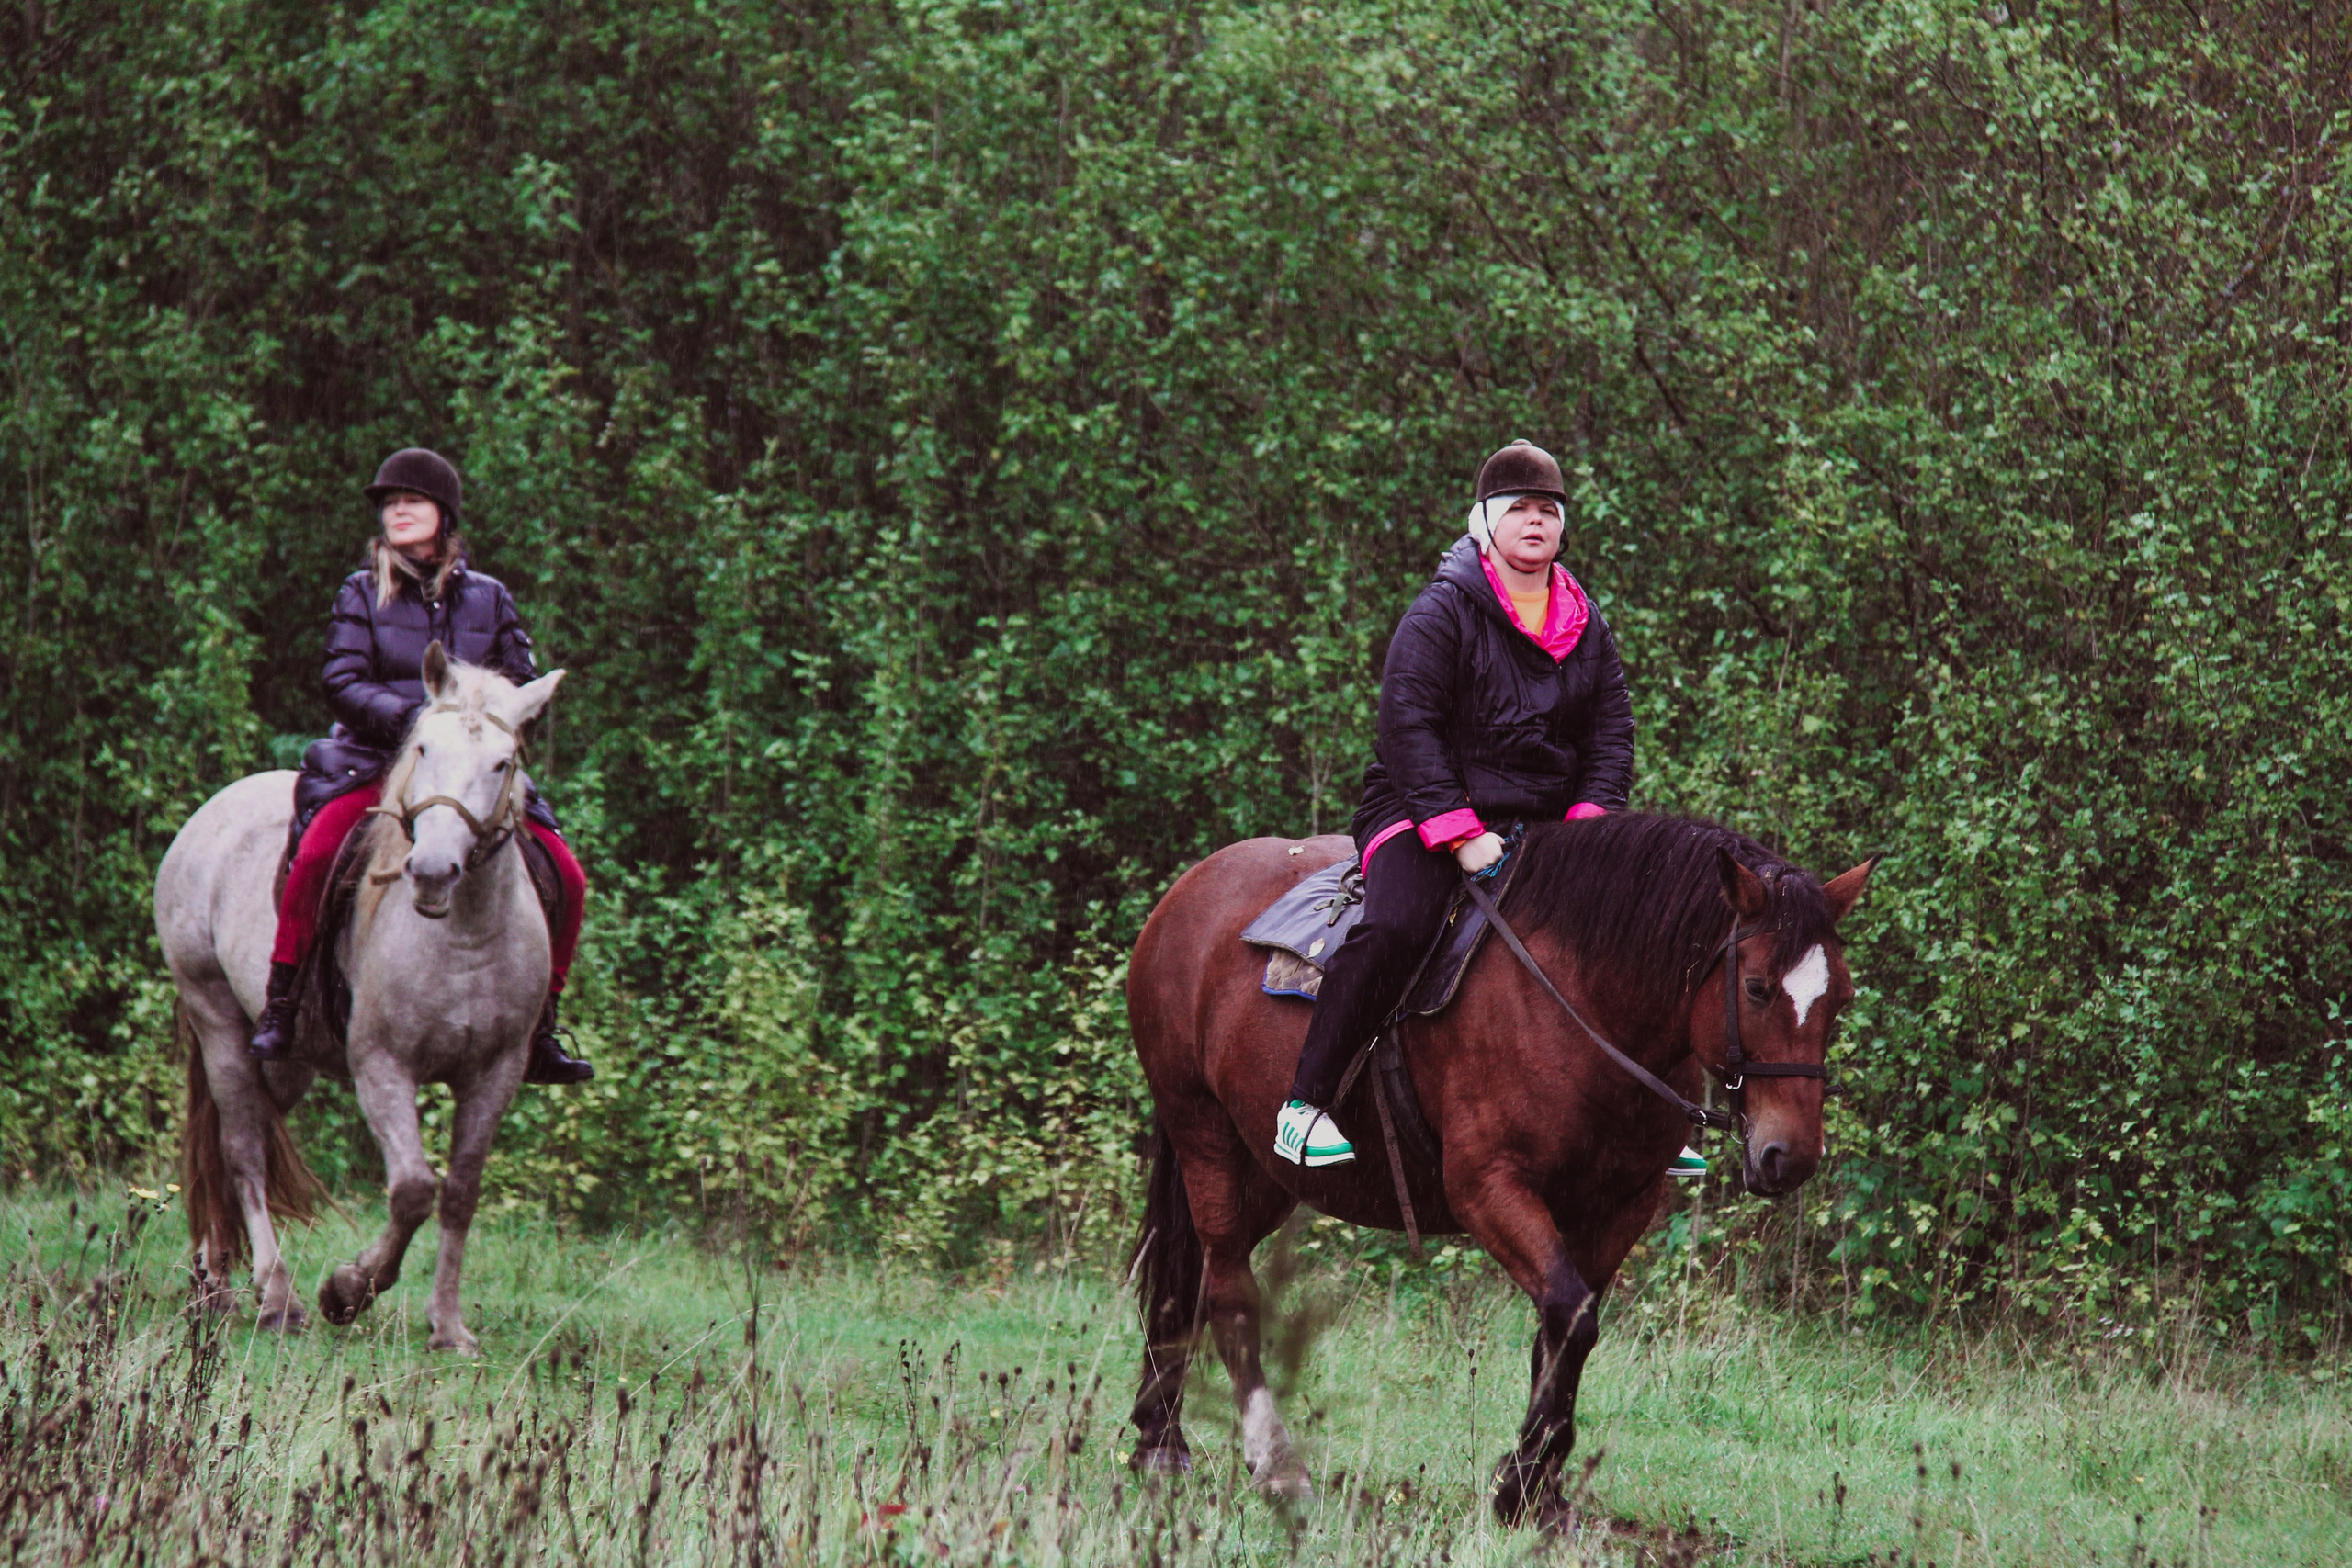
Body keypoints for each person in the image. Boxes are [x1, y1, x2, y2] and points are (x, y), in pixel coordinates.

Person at [1274, 439, 1701, 1177]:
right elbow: (1407, 727)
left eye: (1549, 510)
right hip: (1423, 809)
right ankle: (1304, 1103)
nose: (1536, 522)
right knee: (1400, 925)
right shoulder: (1442, 611)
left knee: (1638, 938)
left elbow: (1612, 730)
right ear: (1486, 521)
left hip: (1545, 827)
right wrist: (1459, 834)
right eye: (1520, 509)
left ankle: (1655, 1123)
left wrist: (1591, 826)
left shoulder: (1585, 622)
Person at [245, 447, 594, 1085]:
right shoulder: (360, 591)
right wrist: (416, 722)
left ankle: (543, 1022)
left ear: (445, 515)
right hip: (376, 760)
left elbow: (516, 682)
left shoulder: (491, 598)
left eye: (412, 499)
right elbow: (342, 680)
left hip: (470, 773)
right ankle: (284, 1000)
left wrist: (481, 724)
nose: (397, 509)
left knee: (567, 873)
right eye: (389, 502)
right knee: (320, 851)